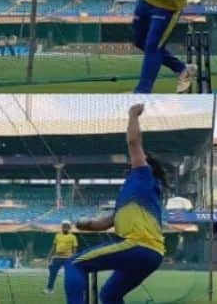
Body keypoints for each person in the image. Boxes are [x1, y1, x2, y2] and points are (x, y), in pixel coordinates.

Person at [64, 104, 167, 304]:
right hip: (153, 255)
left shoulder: (143, 176)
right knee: (109, 296)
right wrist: (85, 224)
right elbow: (104, 223)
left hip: (137, 246)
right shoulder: (137, 192)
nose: (131, 164)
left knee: (74, 264)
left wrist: (132, 115)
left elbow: (133, 142)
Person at [44, 220, 78, 294]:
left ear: (69, 228)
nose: (65, 228)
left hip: (68, 258)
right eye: (64, 226)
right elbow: (54, 247)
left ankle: (72, 290)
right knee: (53, 273)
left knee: (70, 275)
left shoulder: (73, 237)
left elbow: (74, 248)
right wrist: (49, 256)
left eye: (66, 227)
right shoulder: (57, 235)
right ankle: (50, 289)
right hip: (57, 257)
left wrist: (74, 257)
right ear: (62, 227)